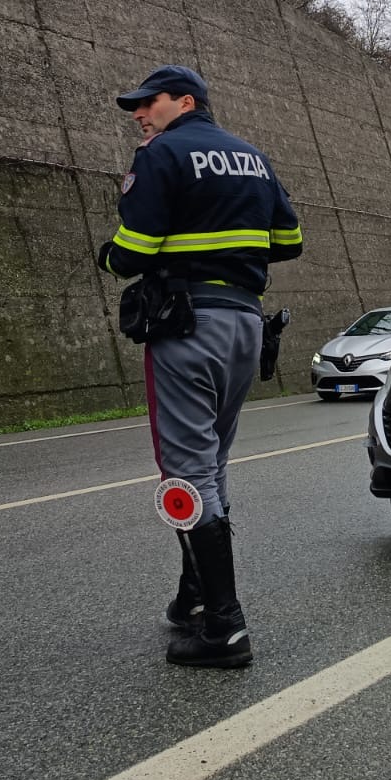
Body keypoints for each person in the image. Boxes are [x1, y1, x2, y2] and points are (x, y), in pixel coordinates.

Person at [97, 65, 303, 668]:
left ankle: (224, 628)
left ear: (185, 101)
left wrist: (109, 257)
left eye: (148, 103)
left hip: (188, 326)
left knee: (186, 473)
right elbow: (289, 241)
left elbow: (133, 252)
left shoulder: (163, 155)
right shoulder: (253, 158)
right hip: (244, 324)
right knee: (211, 463)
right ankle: (193, 595)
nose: (139, 114)